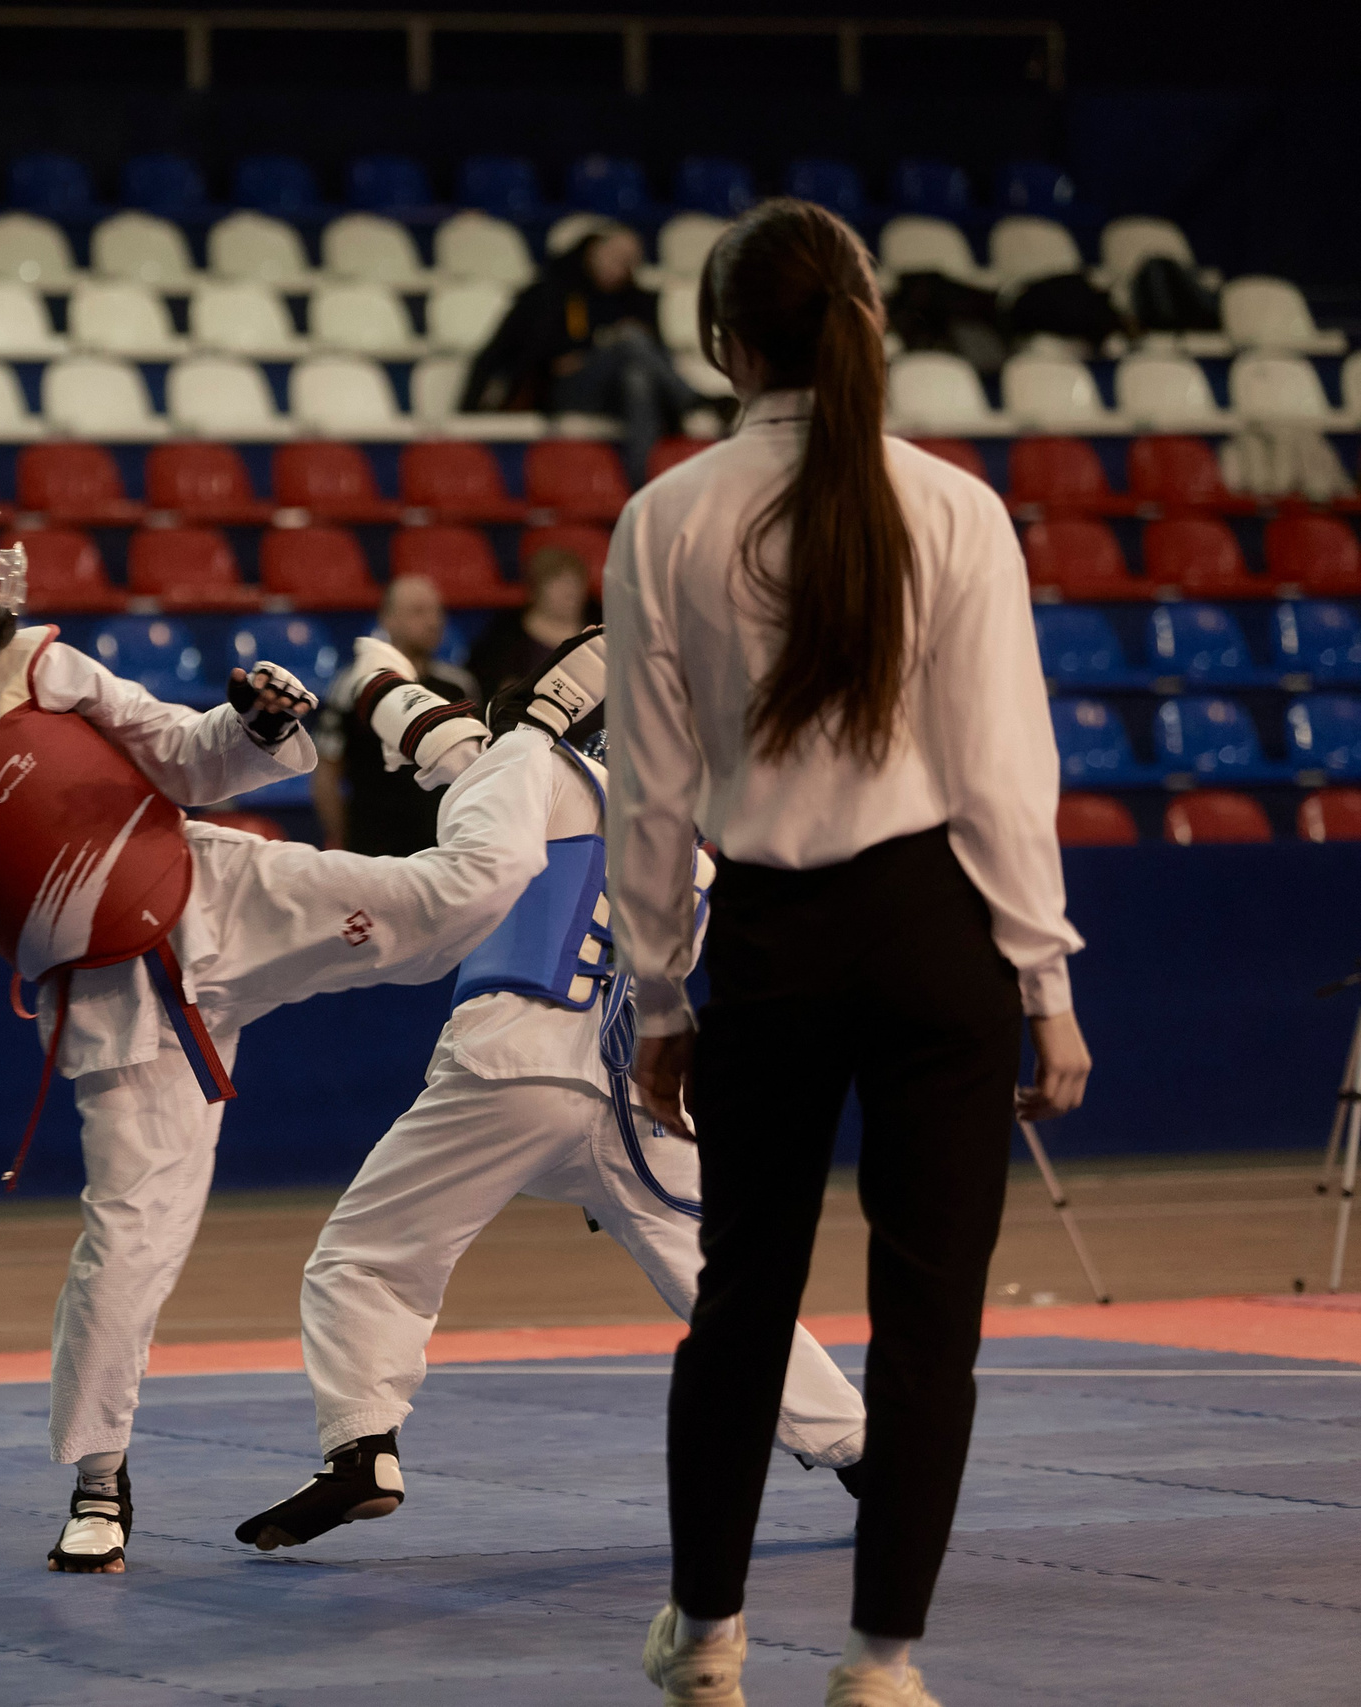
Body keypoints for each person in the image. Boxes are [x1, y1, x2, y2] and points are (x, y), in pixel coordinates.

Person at [0, 448, 555, 1575]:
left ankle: (517, 759)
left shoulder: (48, 668)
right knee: (128, 1246)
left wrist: (246, 724)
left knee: (453, 896)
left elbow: (186, 762)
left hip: (221, 893)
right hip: (116, 1007)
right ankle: (98, 1481)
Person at [605, 199, 1090, 1707]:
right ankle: (882, 1663)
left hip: (772, 942)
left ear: (725, 345)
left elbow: (649, 795)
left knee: (741, 1298)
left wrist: (661, 992)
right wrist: (1045, 979)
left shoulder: (666, 517)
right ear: (865, 322)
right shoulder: (954, 507)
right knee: (931, 1317)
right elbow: (1005, 774)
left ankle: (708, 1640)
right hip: (939, 936)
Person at [234, 637, 866, 1556]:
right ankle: (858, 1445)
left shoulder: (533, 765)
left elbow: (470, 760)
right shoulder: (690, 850)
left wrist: (374, 680)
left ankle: (362, 1445)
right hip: (628, 1093)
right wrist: (393, 691)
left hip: (517, 1057)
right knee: (717, 1281)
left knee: (365, 1256)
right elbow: (456, 744)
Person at [460, 227, 703, 488]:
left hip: (616, 393)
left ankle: (640, 486)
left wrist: (598, 350)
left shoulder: (638, 300)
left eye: (630, 261)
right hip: (563, 392)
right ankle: (690, 399)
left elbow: (656, 353)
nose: (621, 267)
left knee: (637, 379)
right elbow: (509, 352)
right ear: (594, 251)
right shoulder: (551, 292)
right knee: (631, 338)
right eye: (615, 257)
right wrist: (468, 408)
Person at [313, 574, 479, 855]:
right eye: (418, 611)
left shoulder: (459, 686)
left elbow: (476, 772)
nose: (433, 621)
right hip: (372, 850)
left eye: (437, 611)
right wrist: (344, 840)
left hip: (444, 849)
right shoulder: (355, 684)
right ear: (387, 619)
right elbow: (327, 772)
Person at [467, 546, 594, 704]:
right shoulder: (503, 638)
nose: (570, 591)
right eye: (558, 582)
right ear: (537, 588)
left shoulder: (600, 635)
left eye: (576, 582)